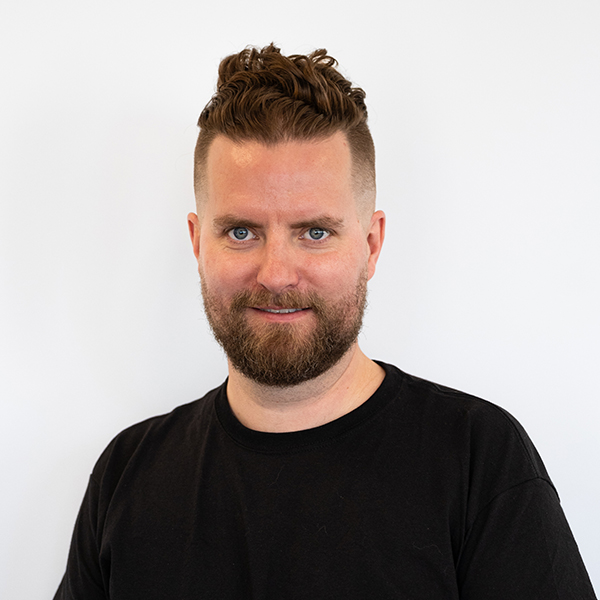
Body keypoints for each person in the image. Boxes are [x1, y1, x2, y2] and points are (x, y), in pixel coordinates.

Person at [54, 44, 596, 599]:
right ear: (198, 243)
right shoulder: (127, 476)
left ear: (371, 244)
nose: (276, 275)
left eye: (315, 232)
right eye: (241, 232)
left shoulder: (478, 461)